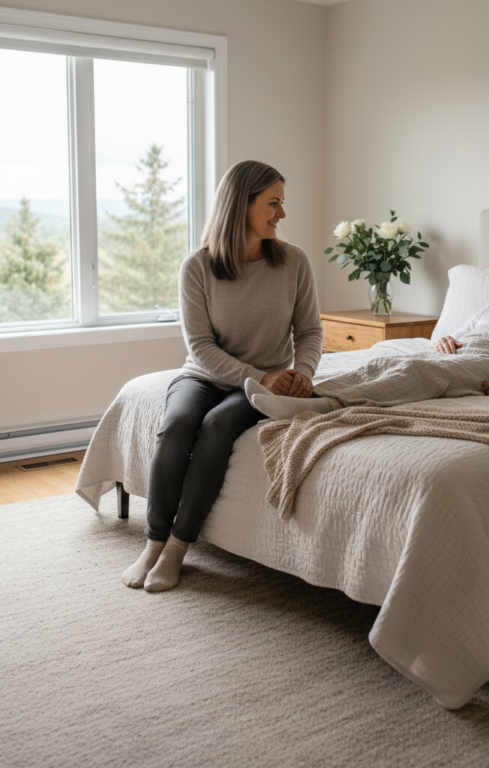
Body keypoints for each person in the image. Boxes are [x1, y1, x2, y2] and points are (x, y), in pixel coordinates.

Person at [122, 160, 323, 592]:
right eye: (273, 203)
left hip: (259, 387)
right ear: (241, 205)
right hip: (204, 376)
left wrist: (302, 374)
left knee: (216, 428)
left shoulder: (294, 262)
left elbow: (309, 332)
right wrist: (260, 375)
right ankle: (153, 543)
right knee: (177, 426)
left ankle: (177, 547)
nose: (282, 213)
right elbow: (200, 346)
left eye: (282, 203)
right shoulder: (197, 267)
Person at [246, 244, 489, 419]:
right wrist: (446, 340)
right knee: (382, 363)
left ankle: (320, 406)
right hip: (464, 356)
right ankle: (305, 393)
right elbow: (447, 338)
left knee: (416, 369)